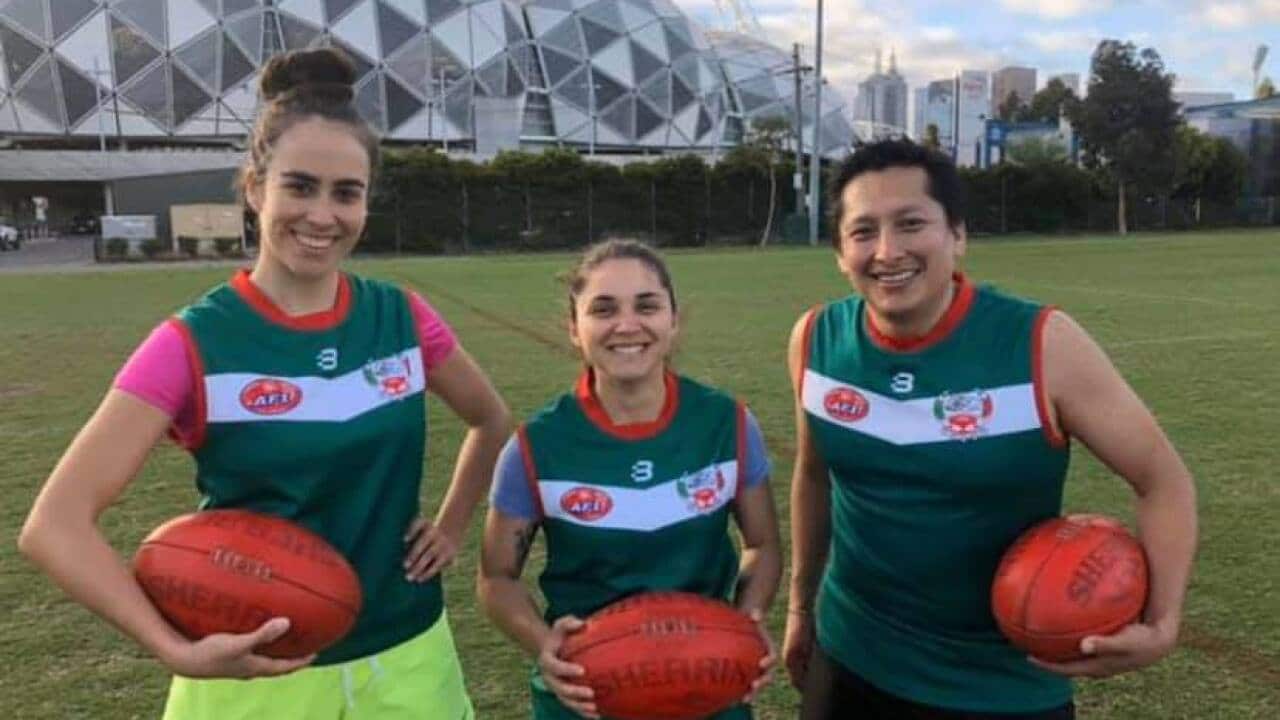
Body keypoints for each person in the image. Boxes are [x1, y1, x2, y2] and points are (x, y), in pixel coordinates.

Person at [17, 48, 510, 720]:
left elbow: (491, 419)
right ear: (255, 188)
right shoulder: (193, 342)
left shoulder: (401, 318)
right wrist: (172, 647)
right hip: (254, 676)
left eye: (346, 193)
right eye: (299, 187)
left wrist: (450, 527)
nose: (322, 215)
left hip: (409, 656)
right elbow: (54, 525)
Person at [782, 139, 1198, 719]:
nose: (887, 251)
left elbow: (1162, 480)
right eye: (863, 231)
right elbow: (814, 476)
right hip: (850, 658)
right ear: (839, 252)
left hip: (1002, 688)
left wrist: (1163, 621)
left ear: (957, 235)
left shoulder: (1043, 345)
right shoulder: (816, 339)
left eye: (911, 224)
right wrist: (801, 608)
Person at [476, 239, 781, 720]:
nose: (627, 325)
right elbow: (497, 577)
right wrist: (543, 643)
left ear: (673, 320)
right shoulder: (536, 446)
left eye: (647, 306)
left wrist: (747, 621)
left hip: (707, 683)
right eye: (603, 309)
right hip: (584, 692)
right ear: (574, 328)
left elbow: (762, 544)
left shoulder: (729, 425)